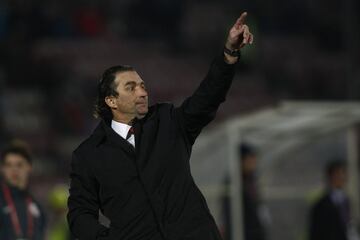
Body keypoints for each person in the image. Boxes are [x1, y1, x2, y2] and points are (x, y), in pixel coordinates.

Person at [67, 12, 254, 240]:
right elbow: (79, 216)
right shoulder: (88, 155)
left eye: (143, 86)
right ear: (111, 100)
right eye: (131, 87)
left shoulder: (167, 122)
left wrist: (229, 54)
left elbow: (207, 99)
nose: (143, 92)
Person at [0, 142, 46, 240]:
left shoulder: (37, 206)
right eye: (8, 165)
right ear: (2, 169)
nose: (14, 169)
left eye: (19, 165)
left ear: (29, 167)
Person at [222, 144, 267, 240]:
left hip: (256, 234)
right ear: (242, 160)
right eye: (250, 158)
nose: (254, 162)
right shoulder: (233, 181)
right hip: (242, 234)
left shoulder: (251, 179)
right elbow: (230, 215)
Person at [309, 160, 357, 240]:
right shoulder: (320, 206)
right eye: (338, 174)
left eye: (343, 174)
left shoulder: (347, 201)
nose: (342, 177)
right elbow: (315, 233)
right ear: (331, 176)